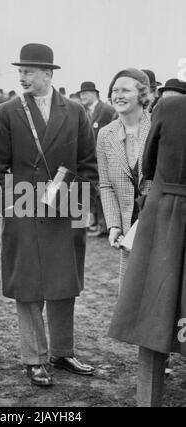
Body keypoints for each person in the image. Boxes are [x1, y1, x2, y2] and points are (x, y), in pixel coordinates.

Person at [0, 43, 98, 387]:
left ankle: (63, 352)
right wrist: (24, 196)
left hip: (66, 211)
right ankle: (34, 358)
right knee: (28, 287)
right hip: (25, 212)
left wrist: (73, 197)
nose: (22, 77)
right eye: (20, 71)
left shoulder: (76, 112)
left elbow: (88, 166)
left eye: (29, 71)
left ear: (48, 75)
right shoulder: (6, 111)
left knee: (65, 283)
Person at [108, 94, 186, 407]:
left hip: (164, 211)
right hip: (166, 210)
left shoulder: (169, 107)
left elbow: (148, 164)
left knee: (155, 307)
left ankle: (147, 399)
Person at [97, 69, 152, 291]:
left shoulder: (160, 126)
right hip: (128, 231)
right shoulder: (105, 134)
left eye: (125, 90)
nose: (118, 95)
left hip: (159, 222)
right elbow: (106, 184)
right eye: (114, 90)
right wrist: (114, 225)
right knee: (129, 296)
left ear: (142, 94)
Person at [78, 81, 115, 237]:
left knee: (103, 193)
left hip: (104, 159)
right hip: (91, 159)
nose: (82, 96)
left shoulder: (106, 110)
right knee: (93, 191)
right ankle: (97, 223)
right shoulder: (86, 111)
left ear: (94, 94)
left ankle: (104, 226)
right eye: (81, 94)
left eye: (85, 93)